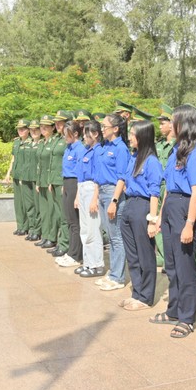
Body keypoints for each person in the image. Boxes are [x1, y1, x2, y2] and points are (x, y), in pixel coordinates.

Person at [150, 104, 196, 338]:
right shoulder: (177, 150)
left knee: (185, 268)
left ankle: (187, 317)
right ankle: (173, 309)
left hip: (186, 209)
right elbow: (168, 188)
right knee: (171, 265)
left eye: (174, 121)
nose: (171, 125)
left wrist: (189, 224)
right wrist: (161, 216)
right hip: (172, 205)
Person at [110, 119, 163, 311]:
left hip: (143, 207)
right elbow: (123, 179)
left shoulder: (152, 162)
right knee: (132, 255)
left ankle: (146, 297)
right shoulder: (134, 157)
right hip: (129, 206)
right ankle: (137, 292)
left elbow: (154, 193)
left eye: (133, 134)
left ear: (142, 136)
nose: (130, 137)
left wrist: (152, 220)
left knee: (145, 254)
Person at [95, 113, 131, 291]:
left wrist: (114, 201)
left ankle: (118, 276)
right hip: (102, 192)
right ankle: (112, 272)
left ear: (115, 129)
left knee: (117, 237)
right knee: (110, 235)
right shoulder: (104, 146)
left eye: (105, 126)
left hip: (112, 193)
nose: (102, 129)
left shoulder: (120, 148)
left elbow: (122, 177)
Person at [76, 116, 106, 278]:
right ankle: (87, 262)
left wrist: (95, 197)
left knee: (93, 229)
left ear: (95, 134)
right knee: (85, 229)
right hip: (83, 188)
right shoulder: (86, 150)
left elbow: (98, 178)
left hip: (92, 189)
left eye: (86, 134)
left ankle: (97, 264)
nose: (84, 137)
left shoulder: (98, 151)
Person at [54, 119, 85, 268]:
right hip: (67, 183)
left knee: (75, 222)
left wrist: (78, 193)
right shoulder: (69, 147)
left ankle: (75, 255)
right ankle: (71, 252)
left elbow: (80, 173)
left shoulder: (80, 148)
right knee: (69, 220)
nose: (65, 137)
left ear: (76, 134)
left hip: (74, 184)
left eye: (67, 134)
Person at [155, 104, 176, 269]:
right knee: (157, 220)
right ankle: (162, 256)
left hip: (171, 187)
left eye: (163, 123)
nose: (160, 126)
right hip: (159, 186)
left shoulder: (177, 146)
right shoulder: (159, 145)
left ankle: (170, 257)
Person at [51, 110, 74, 257]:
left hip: (64, 181)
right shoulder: (58, 139)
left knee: (66, 216)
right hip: (56, 180)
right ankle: (61, 241)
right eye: (57, 122)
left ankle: (65, 244)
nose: (58, 125)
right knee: (59, 214)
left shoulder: (68, 142)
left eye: (61, 122)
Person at [34, 115, 58, 250]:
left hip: (50, 180)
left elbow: (52, 164)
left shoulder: (54, 142)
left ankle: (52, 237)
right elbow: (39, 165)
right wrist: (38, 181)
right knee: (43, 210)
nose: (43, 129)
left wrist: (50, 180)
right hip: (41, 180)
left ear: (53, 128)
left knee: (51, 211)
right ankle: (45, 235)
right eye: (41, 126)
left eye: (46, 126)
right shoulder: (42, 142)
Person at [5, 119, 30, 236]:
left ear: (28, 130)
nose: (20, 131)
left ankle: (27, 226)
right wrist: (8, 173)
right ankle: (20, 225)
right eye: (19, 129)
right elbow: (13, 159)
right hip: (16, 175)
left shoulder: (31, 142)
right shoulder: (16, 142)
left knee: (27, 203)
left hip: (25, 176)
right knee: (18, 202)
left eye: (23, 128)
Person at [23, 120, 42, 242]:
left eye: (36, 129)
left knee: (38, 207)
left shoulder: (42, 144)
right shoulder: (28, 144)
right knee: (29, 206)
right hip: (27, 178)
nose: (34, 132)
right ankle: (31, 228)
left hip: (37, 179)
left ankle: (38, 230)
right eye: (31, 130)